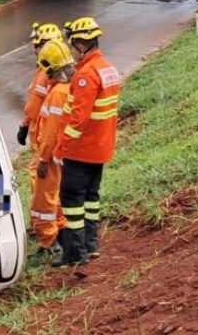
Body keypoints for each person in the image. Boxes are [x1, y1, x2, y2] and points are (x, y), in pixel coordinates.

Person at [52, 17, 120, 267]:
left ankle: (74, 253)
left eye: (73, 45)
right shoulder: (107, 69)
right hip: (101, 148)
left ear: (82, 45)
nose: (71, 50)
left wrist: (61, 149)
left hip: (81, 150)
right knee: (91, 197)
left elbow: (78, 119)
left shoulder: (86, 76)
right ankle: (91, 245)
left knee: (71, 201)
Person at [31, 39, 75, 259]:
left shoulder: (58, 93)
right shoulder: (69, 88)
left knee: (43, 202)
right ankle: (60, 234)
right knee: (56, 199)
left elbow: (51, 132)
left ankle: (48, 243)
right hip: (63, 156)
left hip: (51, 157)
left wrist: (43, 159)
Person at [17, 23, 62, 199]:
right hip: (44, 133)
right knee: (54, 179)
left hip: (44, 135)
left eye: (39, 46)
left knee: (40, 177)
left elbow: (35, 104)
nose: (36, 50)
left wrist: (26, 123)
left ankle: (46, 221)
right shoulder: (47, 71)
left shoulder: (46, 74)